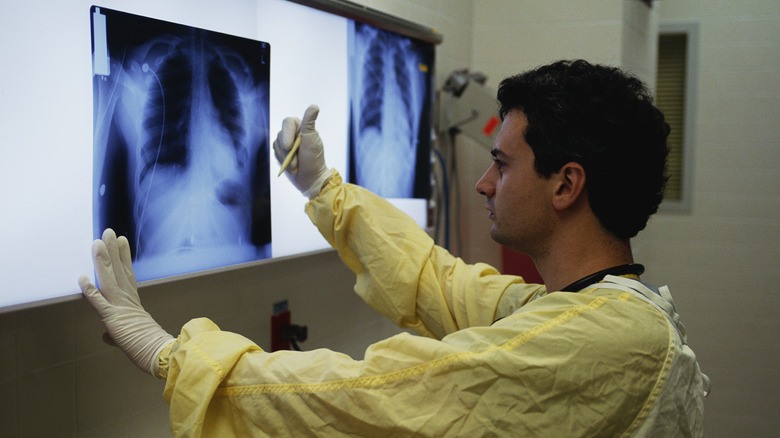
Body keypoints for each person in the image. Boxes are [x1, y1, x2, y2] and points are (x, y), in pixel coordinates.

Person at [80, 59, 710, 437]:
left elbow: (381, 393)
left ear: (567, 184)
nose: (485, 182)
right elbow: (438, 280)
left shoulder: (599, 341)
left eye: (501, 164)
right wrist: (325, 190)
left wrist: (172, 356)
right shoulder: (599, 310)